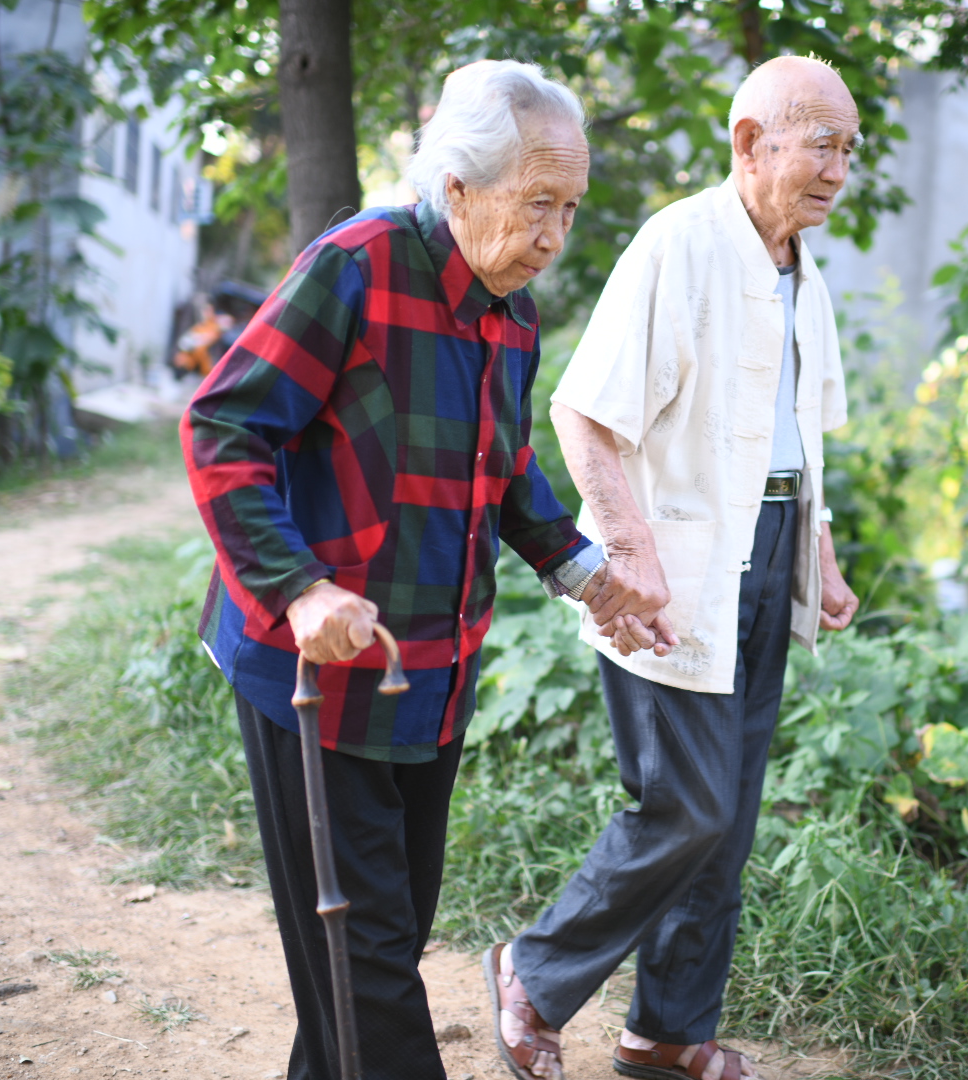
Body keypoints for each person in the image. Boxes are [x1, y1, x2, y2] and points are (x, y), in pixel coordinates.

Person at [182, 59, 663, 1080]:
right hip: (312, 675)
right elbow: (224, 425)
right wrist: (298, 586)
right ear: (457, 186)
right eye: (538, 203)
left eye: (570, 208)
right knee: (369, 972)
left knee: (366, 959)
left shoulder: (514, 316)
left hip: (431, 677)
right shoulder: (354, 267)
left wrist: (587, 576)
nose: (555, 235)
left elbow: (508, 470)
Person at [485, 56, 862, 1080]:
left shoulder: (804, 273)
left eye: (848, 149)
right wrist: (629, 554)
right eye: (819, 141)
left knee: (726, 820)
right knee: (683, 804)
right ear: (751, 144)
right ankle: (536, 971)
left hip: (769, 549)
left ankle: (666, 1033)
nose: (837, 167)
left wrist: (820, 559)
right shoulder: (680, 244)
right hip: (680, 563)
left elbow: (803, 438)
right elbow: (583, 411)